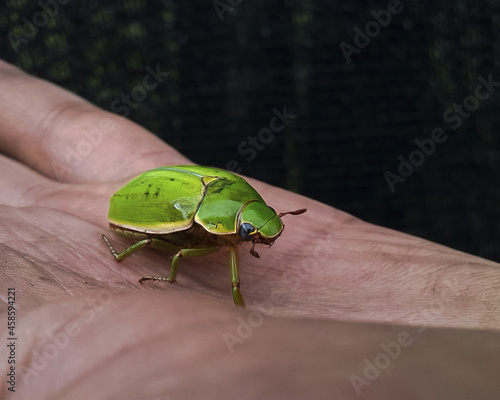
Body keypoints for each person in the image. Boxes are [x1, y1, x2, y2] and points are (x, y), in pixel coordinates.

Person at [0, 59, 498, 399]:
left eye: (257, 228)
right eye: (249, 231)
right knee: (163, 248)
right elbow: (177, 250)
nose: (256, 238)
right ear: (225, 225)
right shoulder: (203, 229)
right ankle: (122, 256)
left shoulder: (237, 201)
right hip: (147, 207)